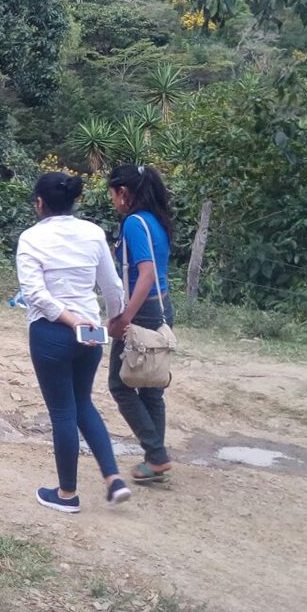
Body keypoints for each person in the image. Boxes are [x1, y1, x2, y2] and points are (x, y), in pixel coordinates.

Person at [15, 172, 131, 513]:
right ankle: (113, 478)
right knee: (84, 403)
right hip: (91, 332)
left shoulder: (30, 239)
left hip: (51, 332)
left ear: (39, 203)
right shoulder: (93, 234)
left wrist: (68, 319)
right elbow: (112, 287)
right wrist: (114, 319)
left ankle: (67, 494)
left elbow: (36, 294)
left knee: (63, 411)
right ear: (74, 201)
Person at [106, 163, 176, 485]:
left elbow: (144, 275)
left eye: (112, 194)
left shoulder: (133, 223)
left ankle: (157, 455)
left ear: (123, 192)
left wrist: (124, 319)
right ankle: (154, 460)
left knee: (120, 385)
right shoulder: (156, 221)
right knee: (151, 388)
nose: (112, 201)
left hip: (142, 312)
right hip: (162, 308)